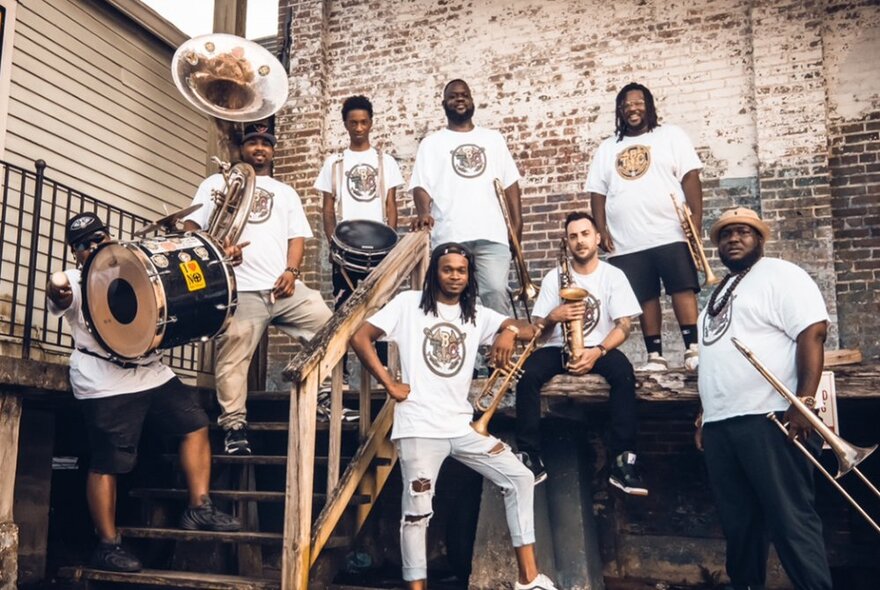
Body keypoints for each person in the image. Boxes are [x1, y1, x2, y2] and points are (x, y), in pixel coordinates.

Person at [350, 243, 558, 590]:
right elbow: (361, 337)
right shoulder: (408, 305)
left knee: (520, 477)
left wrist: (507, 329)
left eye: (461, 271)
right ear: (435, 271)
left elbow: (530, 331)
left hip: (462, 427)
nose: (455, 277)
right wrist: (388, 382)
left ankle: (528, 578)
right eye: (448, 269)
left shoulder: (476, 313)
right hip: (418, 427)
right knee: (417, 514)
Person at [47, 212, 240, 573]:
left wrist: (220, 261)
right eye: (83, 245)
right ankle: (107, 544)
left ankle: (199, 508)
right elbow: (58, 295)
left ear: (108, 238)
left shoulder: (136, 266)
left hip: (150, 372)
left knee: (195, 424)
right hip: (103, 382)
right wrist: (56, 288)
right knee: (109, 462)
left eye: (97, 238)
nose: (92, 247)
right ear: (75, 254)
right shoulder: (75, 281)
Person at [695, 207, 832, 590]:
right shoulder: (719, 292)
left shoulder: (781, 274)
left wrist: (802, 401)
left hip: (771, 421)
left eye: (743, 232)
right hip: (723, 426)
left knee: (792, 523)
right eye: (725, 235)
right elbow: (716, 357)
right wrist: (705, 414)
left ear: (760, 239)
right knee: (740, 529)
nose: (733, 239)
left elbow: (813, 331)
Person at [184, 122, 333, 455]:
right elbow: (191, 227)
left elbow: (297, 237)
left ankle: (323, 394)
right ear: (243, 148)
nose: (259, 149)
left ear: (273, 150)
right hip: (241, 290)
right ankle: (234, 426)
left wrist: (293, 271)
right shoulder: (215, 183)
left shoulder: (285, 192)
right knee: (233, 360)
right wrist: (217, 251)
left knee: (327, 323)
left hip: (282, 289)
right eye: (252, 143)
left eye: (265, 144)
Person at [515, 212, 647, 495]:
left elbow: (625, 325)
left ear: (597, 237)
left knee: (624, 374)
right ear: (567, 241)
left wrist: (597, 352)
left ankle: (623, 461)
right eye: (573, 236)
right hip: (558, 348)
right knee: (527, 374)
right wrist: (553, 316)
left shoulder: (613, 275)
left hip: (598, 348)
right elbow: (539, 333)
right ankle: (528, 456)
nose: (580, 241)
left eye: (585, 234)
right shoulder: (555, 277)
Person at [587, 82, 704, 372]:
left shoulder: (670, 135)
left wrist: (696, 222)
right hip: (627, 240)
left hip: (671, 231)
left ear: (649, 106)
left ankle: (693, 349)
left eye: (638, 103)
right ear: (619, 111)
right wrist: (601, 230)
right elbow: (597, 193)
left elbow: (690, 177)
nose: (632, 109)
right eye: (626, 105)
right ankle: (656, 356)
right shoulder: (607, 148)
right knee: (644, 296)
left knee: (682, 288)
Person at [410, 79, 523, 316]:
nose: (459, 99)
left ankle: (497, 351)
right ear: (444, 104)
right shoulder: (431, 143)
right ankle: (468, 353)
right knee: (455, 300)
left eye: (464, 95)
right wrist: (423, 212)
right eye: (453, 96)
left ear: (472, 100)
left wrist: (516, 226)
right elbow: (421, 186)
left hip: (492, 236)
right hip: (450, 236)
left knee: (495, 292)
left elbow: (511, 185)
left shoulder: (493, 139)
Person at [315, 95, 404, 382]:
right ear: (345, 124)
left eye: (364, 122)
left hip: (379, 248)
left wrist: (390, 244)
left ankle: (380, 373)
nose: (359, 127)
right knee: (343, 310)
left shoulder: (384, 160)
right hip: (345, 249)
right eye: (353, 122)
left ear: (371, 123)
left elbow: (392, 204)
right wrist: (332, 242)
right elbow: (328, 208)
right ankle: (339, 373)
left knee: (379, 309)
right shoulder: (334, 162)